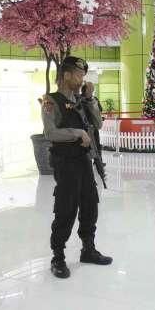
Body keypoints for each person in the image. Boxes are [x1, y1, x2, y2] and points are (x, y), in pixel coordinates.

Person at [41, 56, 112, 279]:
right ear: (67, 75)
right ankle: (58, 257)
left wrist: (90, 99)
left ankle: (88, 249)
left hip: (83, 161)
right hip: (65, 163)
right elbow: (50, 133)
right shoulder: (50, 101)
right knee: (66, 208)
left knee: (90, 205)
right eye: (79, 75)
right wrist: (77, 133)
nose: (82, 80)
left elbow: (98, 124)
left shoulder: (81, 101)